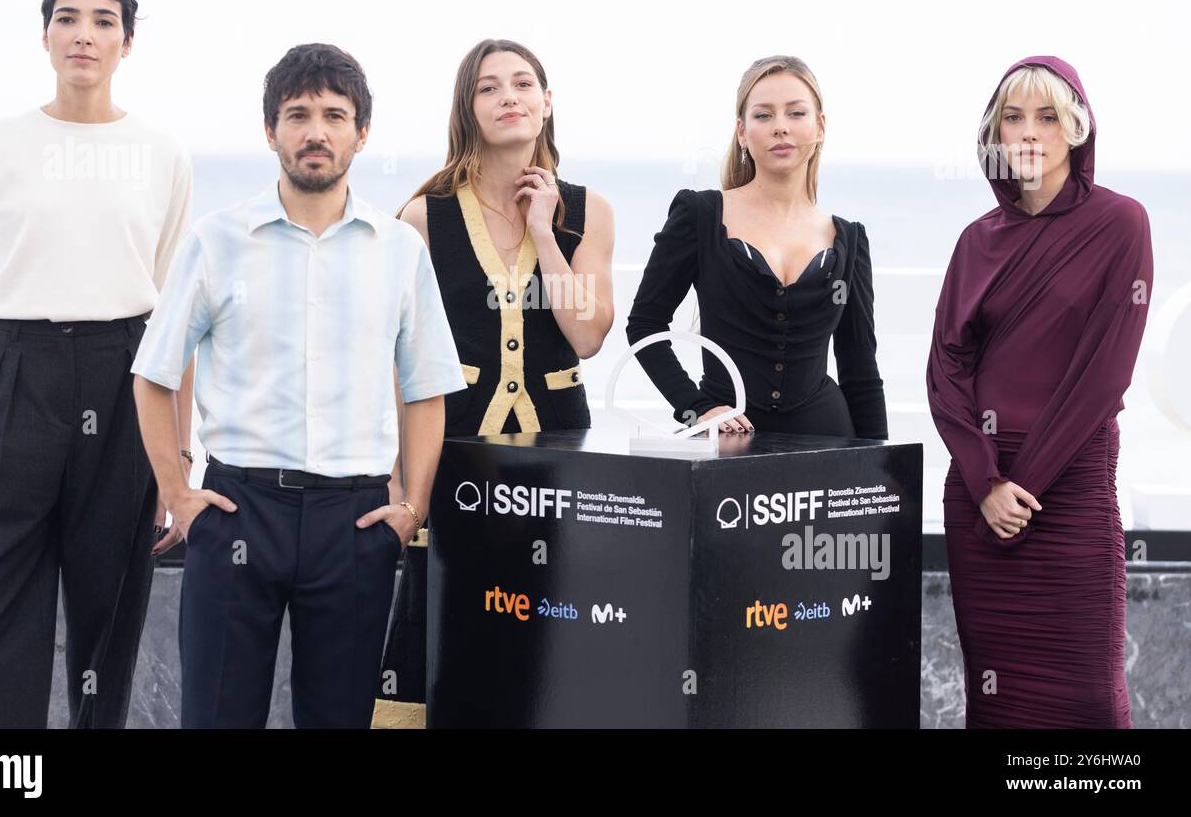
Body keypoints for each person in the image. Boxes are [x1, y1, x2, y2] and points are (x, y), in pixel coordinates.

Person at [131, 43, 465, 728]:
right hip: (236, 511)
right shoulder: (218, 239)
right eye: (298, 115)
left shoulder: (400, 249)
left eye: (335, 116)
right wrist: (178, 495)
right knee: (218, 717)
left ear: (361, 133)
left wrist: (413, 508)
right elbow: (153, 374)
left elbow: (426, 388)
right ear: (271, 131)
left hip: (356, 520)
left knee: (338, 720)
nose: (316, 131)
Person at [0, 0, 195, 728]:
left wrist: (177, 457)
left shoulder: (163, 155)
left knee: (110, 612)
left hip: (127, 378)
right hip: (16, 376)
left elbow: (175, 321)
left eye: (104, 21)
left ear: (126, 44)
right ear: (46, 36)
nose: (84, 34)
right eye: (68, 18)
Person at [377, 38, 616, 725]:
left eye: (523, 84)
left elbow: (587, 336)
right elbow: (398, 359)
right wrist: (402, 477)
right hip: (453, 459)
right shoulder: (425, 216)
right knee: (441, 634)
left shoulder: (587, 210)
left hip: (556, 464)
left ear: (546, 104)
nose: (508, 96)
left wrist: (545, 235)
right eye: (489, 87)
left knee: (544, 634)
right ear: (469, 109)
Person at [927, 56, 1153, 728]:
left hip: (1069, 489)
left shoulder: (1121, 223)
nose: (1028, 132)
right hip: (980, 496)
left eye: (1048, 117)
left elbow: (1104, 373)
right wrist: (986, 481)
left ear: (1076, 130)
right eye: (1013, 117)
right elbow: (946, 371)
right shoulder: (977, 241)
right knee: (996, 705)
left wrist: (1019, 485)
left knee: (1089, 700)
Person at [626, 55, 887, 440]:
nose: (780, 127)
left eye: (796, 113)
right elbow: (645, 325)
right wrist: (694, 407)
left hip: (827, 442)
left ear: (820, 126)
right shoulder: (700, 215)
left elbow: (860, 368)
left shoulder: (848, 239)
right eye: (763, 116)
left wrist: (884, 475)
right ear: (742, 132)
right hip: (724, 444)